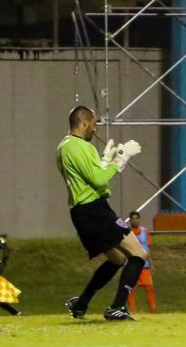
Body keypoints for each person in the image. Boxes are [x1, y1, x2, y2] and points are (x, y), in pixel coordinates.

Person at [56, 105, 147, 321]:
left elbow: (90, 175)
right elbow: (98, 179)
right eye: (94, 124)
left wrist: (104, 161)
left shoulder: (65, 146)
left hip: (84, 211)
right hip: (94, 210)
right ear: (85, 122)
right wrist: (120, 160)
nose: (95, 129)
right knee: (139, 255)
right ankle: (117, 307)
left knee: (116, 259)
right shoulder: (76, 146)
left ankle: (80, 304)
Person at [127, 211, 156, 314]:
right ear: (130, 220)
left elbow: (148, 249)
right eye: (132, 218)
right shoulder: (128, 232)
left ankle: (153, 312)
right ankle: (132, 312)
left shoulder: (145, 231)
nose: (135, 220)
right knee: (131, 289)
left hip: (144, 266)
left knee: (149, 287)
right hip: (132, 265)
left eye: (136, 218)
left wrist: (151, 263)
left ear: (139, 219)